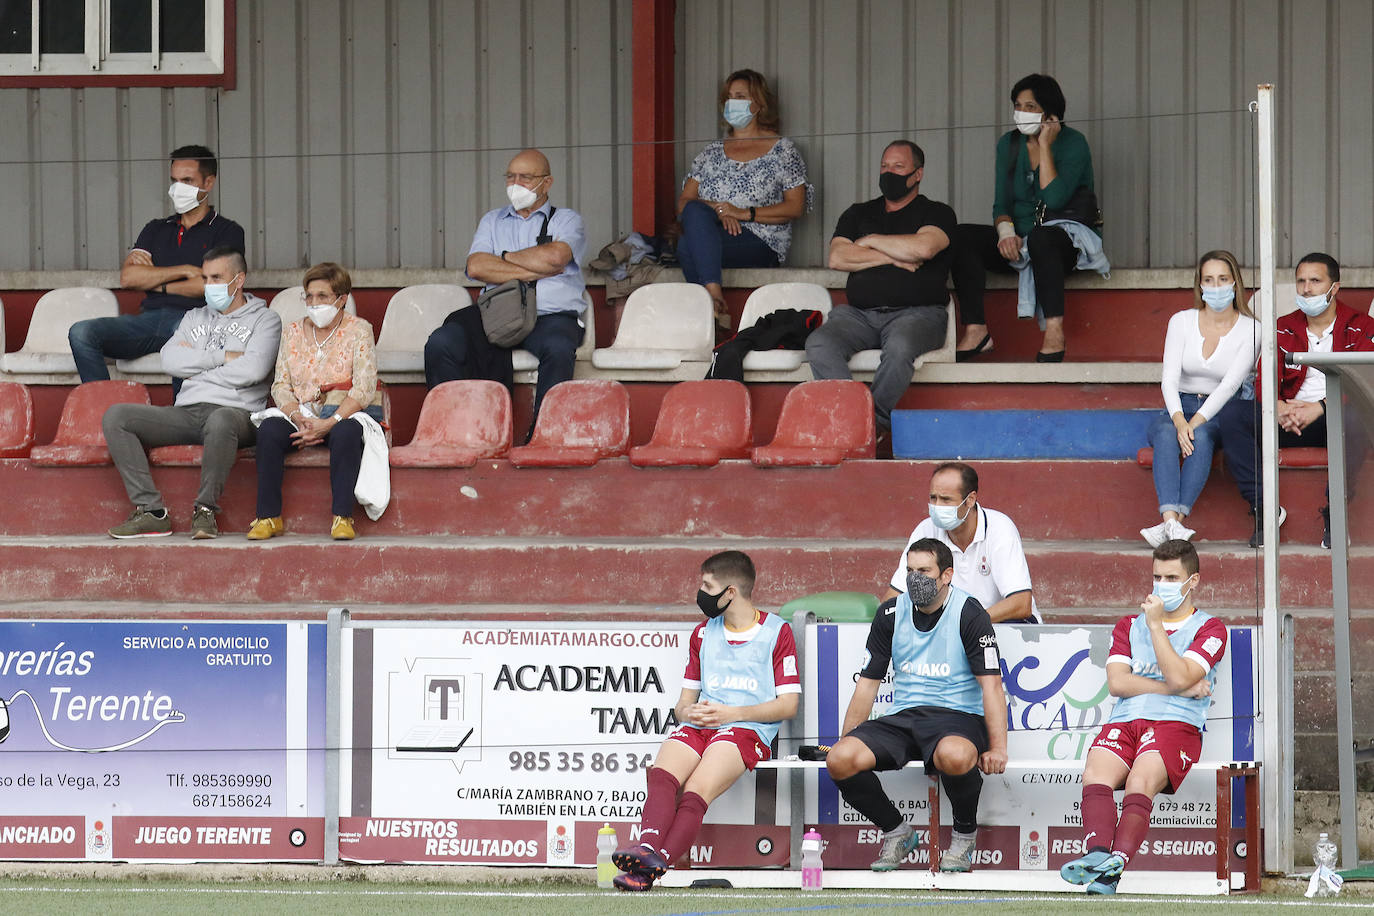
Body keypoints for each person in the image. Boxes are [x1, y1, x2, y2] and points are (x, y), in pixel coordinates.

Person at [611, 551, 800, 892]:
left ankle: (652, 867)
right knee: (662, 774)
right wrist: (689, 714)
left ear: (730, 592)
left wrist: (734, 713)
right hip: (703, 725)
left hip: (746, 729)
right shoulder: (702, 634)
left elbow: (788, 705)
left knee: (696, 791)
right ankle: (648, 849)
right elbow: (682, 705)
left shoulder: (776, 632)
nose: (701, 592)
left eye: (707, 585)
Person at [826, 538, 1007, 873]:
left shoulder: (970, 612)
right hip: (904, 717)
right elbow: (867, 684)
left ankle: (965, 836)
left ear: (946, 575)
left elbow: (992, 686)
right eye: (909, 570)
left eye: (924, 571)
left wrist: (998, 748)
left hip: (958, 717)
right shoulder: (890, 613)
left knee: (953, 756)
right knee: (840, 759)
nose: (914, 579)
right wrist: (847, 738)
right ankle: (898, 831)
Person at [1059, 539, 1226, 895]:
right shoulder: (1127, 626)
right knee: (1095, 774)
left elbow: (1182, 674)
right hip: (1125, 719)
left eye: (1171, 577)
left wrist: (1156, 628)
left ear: (1192, 581)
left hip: (1176, 723)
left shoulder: (1210, 629)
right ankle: (1099, 856)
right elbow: (1118, 684)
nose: (1161, 584)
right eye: (1156, 576)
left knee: (1140, 781)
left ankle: (1114, 866)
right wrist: (1177, 686)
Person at [102, 247, 280, 540]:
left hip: (237, 414)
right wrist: (223, 356)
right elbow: (170, 361)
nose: (209, 285)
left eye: (217, 278)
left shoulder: (266, 320)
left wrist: (196, 365)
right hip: (187, 411)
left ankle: (205, 511)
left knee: (221, 419)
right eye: (206, 278)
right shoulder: (194, 317)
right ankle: (151, 512)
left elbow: (253, 370)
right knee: (117, 416)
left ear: (239, 279)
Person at [1215, 252, 1374, 547]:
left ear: (1334, 287)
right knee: (1233, 415)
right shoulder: (1281, 327)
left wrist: (1321, 407)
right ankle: (1264, 510)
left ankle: (1335, 513)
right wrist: (1277, 407)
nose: (1306, 288)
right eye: (1301, 281)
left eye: (1315, 281)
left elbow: (1362, 382)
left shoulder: (1362, 326)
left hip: (1332, 418)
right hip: (1286, 416)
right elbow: (1265, 376)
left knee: (1358, 418)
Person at [424, 148, 587, 433]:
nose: (515, 184)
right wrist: (533, 268)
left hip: (550, 316)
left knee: (559, 349)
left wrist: (501, 257)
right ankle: (458, 429)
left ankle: (543, 435)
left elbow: (557, 257)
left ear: (546, 183)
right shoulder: (492, 220)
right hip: (497, 314)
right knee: (442, 342)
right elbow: (476, 266)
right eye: (510, 176)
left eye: (525, 177)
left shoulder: (567, 220)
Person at [805, 140, 956, 436]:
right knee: (819, 344)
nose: (890, 173)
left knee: (899, 348)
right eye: (885, 166)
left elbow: (923, 248)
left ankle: (872, 424)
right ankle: (853, 417)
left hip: (918, 314)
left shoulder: (937, 212)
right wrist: (894, 255)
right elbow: (838, 258)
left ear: (918, 174)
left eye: (899, 167)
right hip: (858, 315)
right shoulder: (858, 213)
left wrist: (869, 240)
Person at [951, 74, 1102, 362]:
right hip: (1019, 241)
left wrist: (1045, 146)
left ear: (1049, 111)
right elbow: (1001, 203)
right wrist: (1006, 233)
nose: (1022, 112)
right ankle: (976, 330)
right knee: (961, 236)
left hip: (1063, 241)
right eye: (1018, 105)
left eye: (1031, 106)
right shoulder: (1009, 144)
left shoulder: (1073, 143)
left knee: (1042, 238)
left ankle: (1054, 332)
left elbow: (1054, 198)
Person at [70, 145, 245, 383]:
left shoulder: (228, 231)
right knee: (81, 333)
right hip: (148, 319)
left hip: (196, 320)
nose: (178, 189)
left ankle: (179, 418)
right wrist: (183, 271)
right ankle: (105, 411)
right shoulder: (156, 228)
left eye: (187, 180)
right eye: (174, 180)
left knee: (185, 343)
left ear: (209, 183)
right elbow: (129, 278)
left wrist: (156, 281)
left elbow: (211, 287)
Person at [247, 263, 382, 543]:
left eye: (323, 296)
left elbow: (364, 388)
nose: (314, 303)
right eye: (309, 296)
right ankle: (268, 516)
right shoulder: (292, 331)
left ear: (341, 299)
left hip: (342, 412)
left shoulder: (359, 330)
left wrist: (328, 423)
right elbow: (280, 385)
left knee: (346, 433)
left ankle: (342, 517)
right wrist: (299, 417)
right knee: (270, 430)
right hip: (302, 415)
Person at [1140, 251, 1259, 547]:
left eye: (1222, 279)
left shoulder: (1251, 329)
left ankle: (1171, 524)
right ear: (1200, 285)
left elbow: (1230, 385)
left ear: (1235, 283)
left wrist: (1194, 422)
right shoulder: (1181, 321)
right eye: (1208, 279)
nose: (1216, 286)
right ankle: (1172, 522)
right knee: (1167, 433)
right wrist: (1180, 420)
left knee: (1201, 437)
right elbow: (1168, 378)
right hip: (1177, 404)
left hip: (1219, 410)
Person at [677, 68, 811, 317]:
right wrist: (720, 211)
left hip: (760, 240)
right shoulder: (711, 153)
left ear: (758, 104)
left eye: (740, 96)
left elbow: (795, 207)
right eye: (729, 97)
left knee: (686, 246)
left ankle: (709, 308)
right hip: (714, 234)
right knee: (693, 213)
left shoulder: (783, 150)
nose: (732, 103)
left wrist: (741, 213)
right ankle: (714, 297)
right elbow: (685, 202)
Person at [882, 462, 1039, 623]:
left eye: (946, 499)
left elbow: (1021, 603)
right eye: (933, 498)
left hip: (1000, 625)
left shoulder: (999, 528)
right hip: (947, 629)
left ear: (970, 500)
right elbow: (894, 597)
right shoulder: (926, 530)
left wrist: (967, 624)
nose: (936, 506)